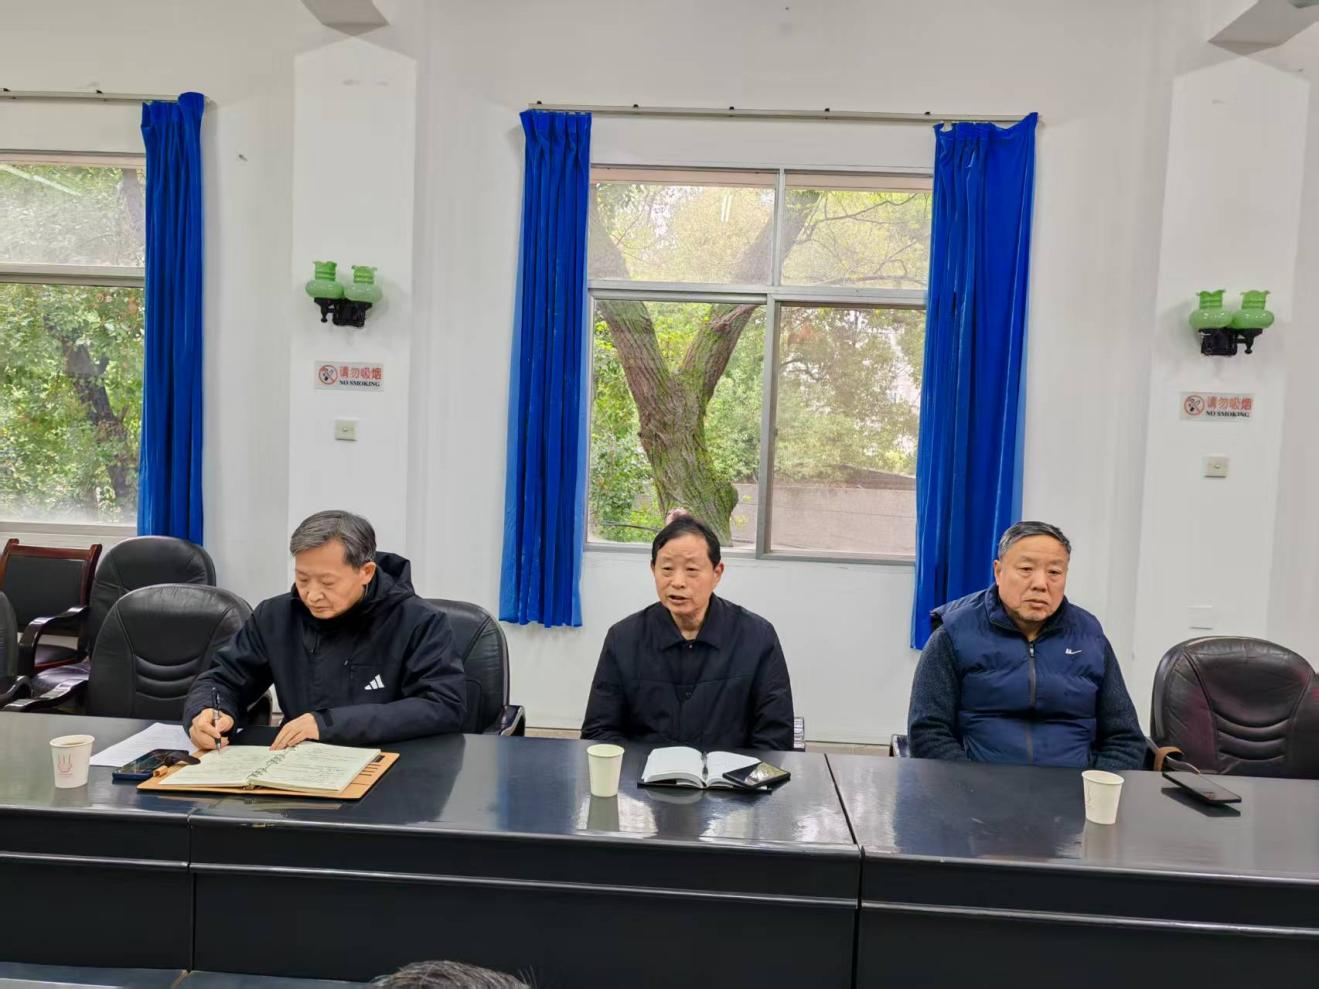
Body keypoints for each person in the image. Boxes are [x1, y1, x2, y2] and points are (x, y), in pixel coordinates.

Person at [183, 510, 465, 750]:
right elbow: (225, 678)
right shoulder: (276, 616)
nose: (312, 595)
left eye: (328, 583)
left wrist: (327, 724)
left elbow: (443, 705)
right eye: (303, 578)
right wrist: (208, 711)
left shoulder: (418, 621)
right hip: (299, 764)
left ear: (366, 572)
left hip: (392, 765)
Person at [906, 520, 1145, 769]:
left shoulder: (1090, 637)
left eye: (1054, 572)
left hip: (1074, 787)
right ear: (998, 572)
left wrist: (1097, 786)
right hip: (979, 785)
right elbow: (928, 732)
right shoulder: (953, 634)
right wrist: (971, 785)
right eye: (1026, 569)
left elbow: (1125, 739)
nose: (1040, 584)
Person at [581, 512, 795, 750]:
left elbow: (775, 736)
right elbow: (599, 731)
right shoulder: (623, 638)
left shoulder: (757, 637)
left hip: (731, 773)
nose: (678, 582)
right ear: (653, 569)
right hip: (643, 772)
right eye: (667, 569)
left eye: (692, 570)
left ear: (716, 573)